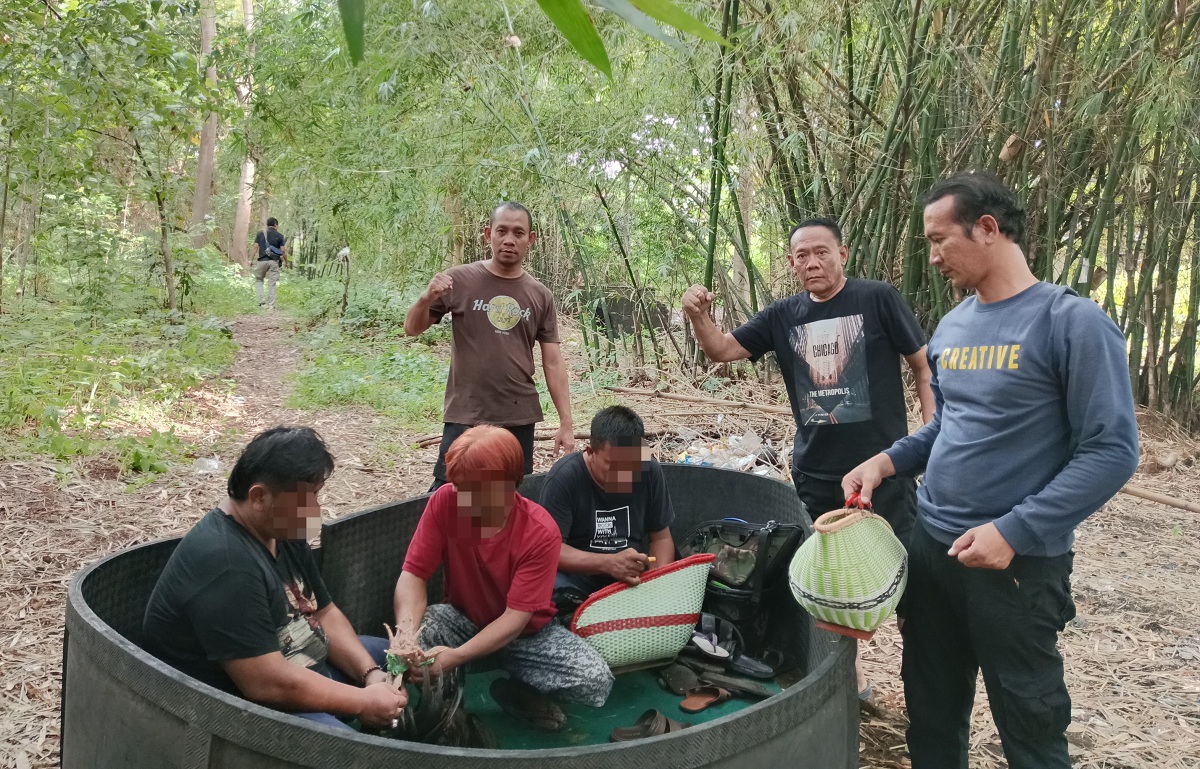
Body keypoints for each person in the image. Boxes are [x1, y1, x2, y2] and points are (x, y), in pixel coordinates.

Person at [841, 171, 1139, 769]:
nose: (931, 257)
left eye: (938, 239)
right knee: (931, 711)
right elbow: (948, 426)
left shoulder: (1070, 322)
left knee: (1029, 723)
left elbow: (1112, 451)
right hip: (931, 551)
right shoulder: (954, 326)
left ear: (987, 229)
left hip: (1017, 566)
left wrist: (1014, 531)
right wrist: (885, 461)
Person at [681, 217, 934, 545]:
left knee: (895, 565)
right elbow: (721, 349)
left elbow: (924, 366)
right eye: (802, 256)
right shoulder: (781, 316)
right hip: (815, 476)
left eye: (822, 253)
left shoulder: (877, 298)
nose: (812, 263)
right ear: (791, 263)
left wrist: (931, 440)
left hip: (881, 473)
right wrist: (698, 316)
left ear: (842, 254)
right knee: (827, 574)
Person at [143, 427, 405, 731]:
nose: (314, 511)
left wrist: (370, 674)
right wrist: (362, 701)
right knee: (354, 751)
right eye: (307, 500)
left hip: (305, 665)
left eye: (316, 497)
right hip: (241, 709)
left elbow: (324, 612)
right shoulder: (225, 564)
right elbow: (267, 684)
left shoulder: (282, 531)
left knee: (396, 662)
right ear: (259, 497)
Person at [393, 425, 614, 710]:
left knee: (595, 681)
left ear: (506, 486)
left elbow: (515, 620)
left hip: (526, 636)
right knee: (423, 637)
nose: (459, 495)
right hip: (465, 620)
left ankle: (521, 692)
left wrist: (457, 657)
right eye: (458, 486)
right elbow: (413, 574)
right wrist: (406, 634)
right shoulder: (445, 501)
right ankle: (447, 714)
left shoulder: (540, 531)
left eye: (471, 489)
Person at [404, 202, 574, 491]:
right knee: (449, 492)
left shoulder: (540, 295)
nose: (509, 239)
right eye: (502, 231)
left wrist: (566, 423)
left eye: (519, 233)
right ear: (488, 235)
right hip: (467, 411)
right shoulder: (459, 279)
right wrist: (425, 298)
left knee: (510, 496)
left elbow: (553, 362)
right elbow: (412, 328)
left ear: (530, 239)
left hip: (518, 413)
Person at [540, 405, 676, 597]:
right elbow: (550, 550)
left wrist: (657, 585)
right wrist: (608, 564)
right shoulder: (564, 477)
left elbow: (661, 537)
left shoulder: (650, 470)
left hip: (633, 576)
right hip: (578, 579)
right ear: (591, 452)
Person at [252, 217, 289, 309]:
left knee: (259, 280)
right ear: (276, 225)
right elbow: (283, 251)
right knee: (272, 283)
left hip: (261, 261)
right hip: (274, 262)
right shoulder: (280, 235)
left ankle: (261, 302)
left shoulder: (260, 234)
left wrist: (250, 259)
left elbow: (255, 247)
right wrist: (286, 262)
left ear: (267, 225)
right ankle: (271, 305)